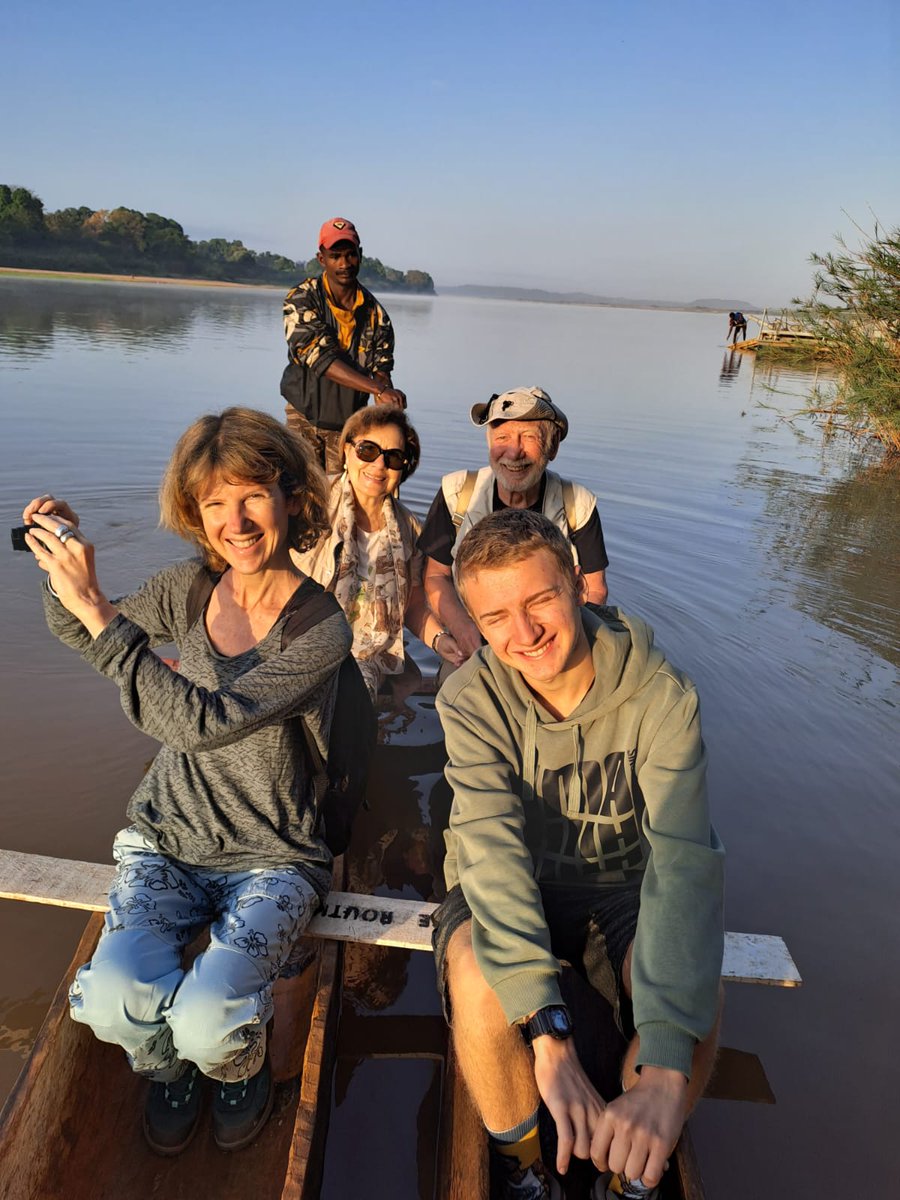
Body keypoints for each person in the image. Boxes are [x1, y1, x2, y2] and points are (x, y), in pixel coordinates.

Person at [20, 408, 353, 1156]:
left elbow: (206, 721)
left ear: (293, 497)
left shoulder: (321, 628)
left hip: (272, 854)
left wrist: (101, 612)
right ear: (195, 514)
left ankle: (236, 1066)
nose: (235, 521)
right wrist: (65, 575)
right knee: (110, 1001)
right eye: (214, 503)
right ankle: (167, 1068)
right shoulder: (188, 587)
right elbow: (81, 630)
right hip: (169, 840)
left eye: (253, 495)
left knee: (211, 1017)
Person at [432, 509, 724, 1200]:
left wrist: (664, 1066)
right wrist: (548, 1035)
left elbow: (684, 862)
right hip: (515, 884)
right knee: (473, 964)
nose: (524, 633)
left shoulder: (661, 696)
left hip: (622, 885)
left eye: (539, 600)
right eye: (497, 616)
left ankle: (635, 1166)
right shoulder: (471, 703)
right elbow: (495, 861)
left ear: (576, 587)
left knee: (701, 978)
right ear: (474, 622)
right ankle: (524, 1160)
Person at [419, 386, 609, 663]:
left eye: (528, 437)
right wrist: (464, 629)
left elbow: (595, 588)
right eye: (502, 437)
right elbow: (435, 577)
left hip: (550, 642)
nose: (514, 452)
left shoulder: (577, 503)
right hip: (477, 644)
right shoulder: (457, 492)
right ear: (489, 443)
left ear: (552, 446)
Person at [294, 405, 465, 699]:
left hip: (365, 657)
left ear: (403, 468)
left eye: (394, 457)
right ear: (347, 451)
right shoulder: (310, 507)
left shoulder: (408, 528)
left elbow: (411, 604)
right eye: (368, 450)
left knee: (354, 692)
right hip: (302, 644)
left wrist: (440, 640)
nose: (379, 465)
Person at [280, 217, 407, 474]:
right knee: (298, 493)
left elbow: (381, 372)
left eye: (350, 255)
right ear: (321, 258)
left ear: (360, 255)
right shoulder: (302, 298)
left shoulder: (377, 316)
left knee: (341, 500)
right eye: (335, 256)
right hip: (301, 417)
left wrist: (388, 401)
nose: (344, 264)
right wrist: (377, 387)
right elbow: (319, 357)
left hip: (347, 426)